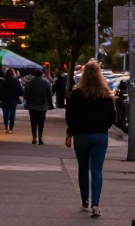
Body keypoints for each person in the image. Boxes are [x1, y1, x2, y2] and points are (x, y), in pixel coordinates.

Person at [64, 61, 115, 217]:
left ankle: (85, 199)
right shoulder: (105, 95)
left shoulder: (77, 94)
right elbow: (112, 116)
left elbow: (70, 115)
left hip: (81, 135)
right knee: (97, 169)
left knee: (83, 168)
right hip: (100, 135)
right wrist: (103, 128)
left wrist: (69, 133)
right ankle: (96, 204)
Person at [23, 71, 53, 144]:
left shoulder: (30, 83)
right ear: (41, 75)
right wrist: (50, 103)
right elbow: (49, 94)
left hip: (32, 105)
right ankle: (40, 137)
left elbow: (25, 94)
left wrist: (27, 100)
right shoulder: (45, 83)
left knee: (33, 122)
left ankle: (34, 137)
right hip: (42, 106)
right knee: (41, 122)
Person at [0, 68, 23, 133]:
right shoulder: (16, 81)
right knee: (12, 113)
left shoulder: (4, 81)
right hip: (14, 99)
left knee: (5, 113)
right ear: (13, 74)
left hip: (5, 99)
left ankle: (6, 125)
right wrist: (18, 95)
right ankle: (11, 128)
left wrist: (0, 97)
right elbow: (20, 90)